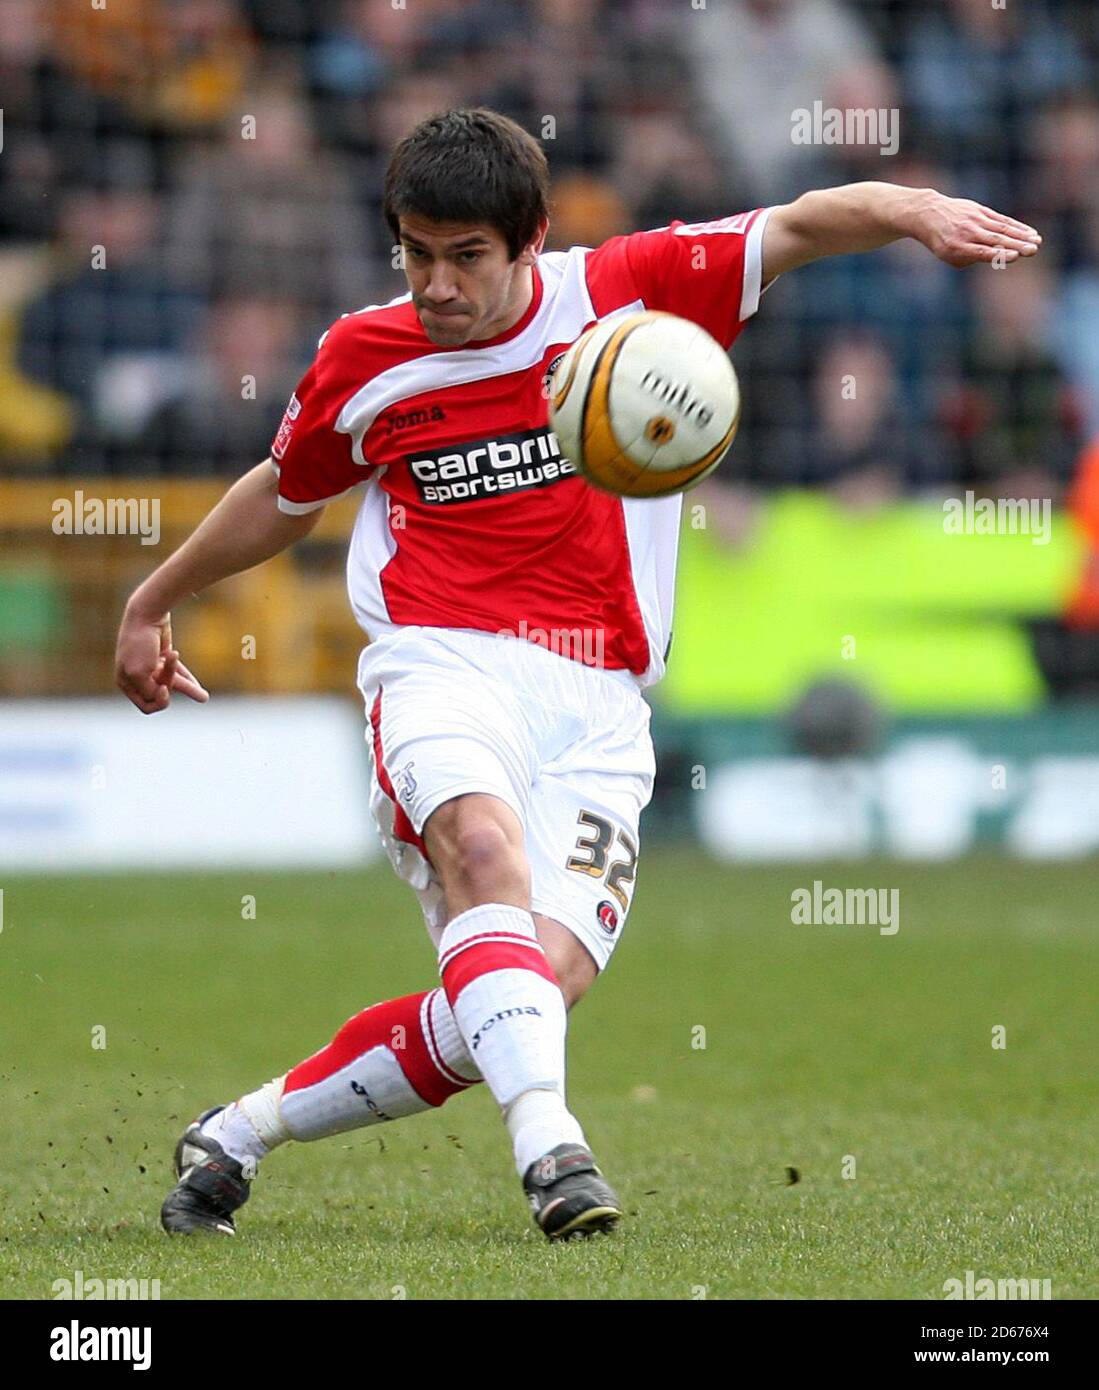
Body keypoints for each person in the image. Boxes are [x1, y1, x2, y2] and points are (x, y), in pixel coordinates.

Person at [114, 108, 1041, 1241]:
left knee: (517, 999)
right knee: (482, 854)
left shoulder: (625, 295)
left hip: (602, 702)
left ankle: (241, 1130)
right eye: (417, 253)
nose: (439, 285)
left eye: (467, 257)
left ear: (530, 240)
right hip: (441, 662)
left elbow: (797, 224)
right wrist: (155, 596)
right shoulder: (366, 352)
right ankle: (553, 1150)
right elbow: (285, 490)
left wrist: (915, 213)